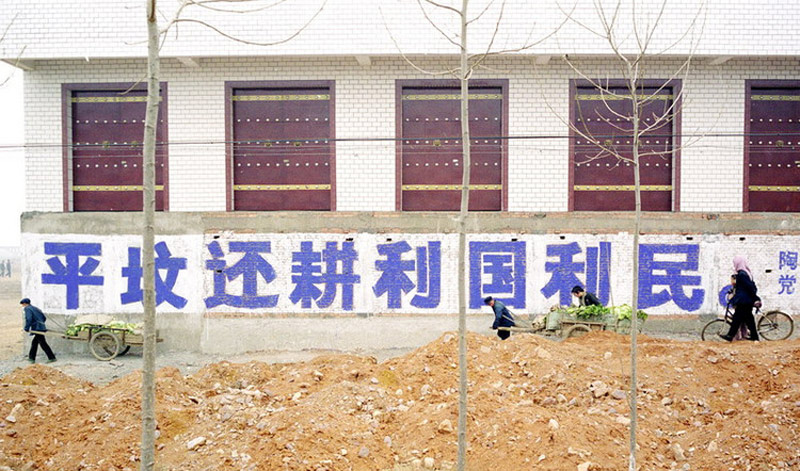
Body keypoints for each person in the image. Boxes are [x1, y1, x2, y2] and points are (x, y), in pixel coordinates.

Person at [720, 256, 759, 342]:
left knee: (738, 319)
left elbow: (749, 287)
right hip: (746, 300)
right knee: (747, 319)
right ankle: (754, 336)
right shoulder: (746, 273)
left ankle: (730, 335)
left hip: (744, 301)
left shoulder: (742, 274)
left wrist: (755, 297)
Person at [21, 298, 57, 363]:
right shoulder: (35, 308)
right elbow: (44, 317)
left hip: (37, 328)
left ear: (24, 304)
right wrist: (41, 324)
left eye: (22, 304)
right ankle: (31, 358)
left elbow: (29, 319)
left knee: (43, 343)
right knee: (35, 343)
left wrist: (26, 327)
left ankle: (52, 357)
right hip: (41, 327)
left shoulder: (27, 309)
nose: (22, 306)